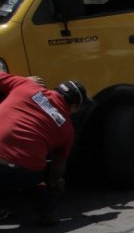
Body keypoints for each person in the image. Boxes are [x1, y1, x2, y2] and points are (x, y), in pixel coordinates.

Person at [0, 75, 87, 225]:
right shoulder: (67, 129)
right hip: (24, 173)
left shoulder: (27, 85)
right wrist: (54, 182)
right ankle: (48, 213)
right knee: (36, 185)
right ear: (74, 107)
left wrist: (26, 78)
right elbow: (58, 163)